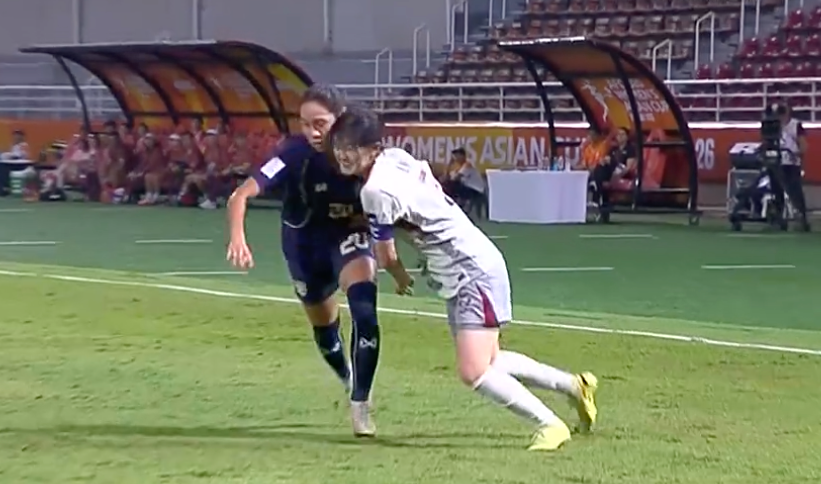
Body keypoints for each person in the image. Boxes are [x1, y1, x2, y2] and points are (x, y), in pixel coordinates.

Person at [326, 106, 598, 451]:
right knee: (491, 361)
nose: (343, 153)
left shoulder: (375, 191)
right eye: (339, 145)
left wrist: (400, 276)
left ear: (373, 148)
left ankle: (550, 425)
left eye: (351, 146)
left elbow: (386, 254)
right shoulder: (395, 158)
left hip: (470, 271)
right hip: (467, 265)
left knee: (474, 371)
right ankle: (573, 385)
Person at [225, 85, 383, 437]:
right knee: (325, 329)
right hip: (304, 247)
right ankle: (347, 377)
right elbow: (241, 194)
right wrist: (237, 237)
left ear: (340, 120)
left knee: (364, 309)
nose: (312, 132)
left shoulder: (363, 152)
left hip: (348, 236)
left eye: (320, 123)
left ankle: (360, 403)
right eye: (305, 123)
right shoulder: (293, 153)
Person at [770, 103, 810, 231]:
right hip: (776, 161)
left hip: (791, 163)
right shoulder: (772, 125)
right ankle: (779, 218)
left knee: (795, 191)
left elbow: (803, 144)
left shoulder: (795, 125)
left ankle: (802, 218)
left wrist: (797, 154)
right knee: (777, 191)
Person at [589, 127, 636, 208]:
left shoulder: (630, 149)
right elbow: (607, 158)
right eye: (618, 135)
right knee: (599, 167)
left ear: (627, 137)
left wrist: (617, 174)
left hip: (621, 170)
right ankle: (599, 192)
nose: (620, 136)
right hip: (611, 169)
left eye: (622, 135)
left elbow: (628, 167)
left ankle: (597, 195)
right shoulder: (613, 149)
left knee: (602, 172)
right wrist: (603, 161)